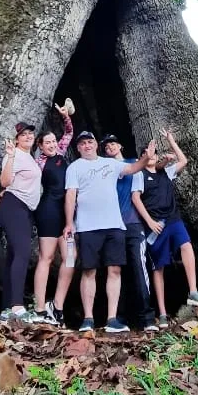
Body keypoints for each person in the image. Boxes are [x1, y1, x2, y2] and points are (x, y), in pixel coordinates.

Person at [64, 131, 155, 334]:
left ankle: (112, 318)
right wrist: (69, 223)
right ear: (78, 148)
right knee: (89, 271)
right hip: (87, 226)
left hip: (114, 225)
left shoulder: (111, 164)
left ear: (95, 144)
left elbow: (133, 168)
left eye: (90, 142)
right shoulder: (74, 167)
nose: (87, 145)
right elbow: (71, 195)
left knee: (115, 270)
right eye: (82, 143)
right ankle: (88, 318)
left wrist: (147, 157)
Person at [130, 128, 198, 327]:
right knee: (158, 267)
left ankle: (193, 291)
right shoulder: (139, 175)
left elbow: (183, 161)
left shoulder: (165, 172)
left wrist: (171, 140)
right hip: (155, 226)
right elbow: (135, 198)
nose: (153, 156)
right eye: (148, 153)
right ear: (142, 157)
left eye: (154, 153)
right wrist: (149, 222)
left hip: (173, 219)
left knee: (186, 245)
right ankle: (163, 313)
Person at [100, 134, 158, 332]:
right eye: (106, 146)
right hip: (112, 225)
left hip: (132, 224)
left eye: (113, 143)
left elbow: (136, 195)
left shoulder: (135, 164)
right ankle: (117, 318)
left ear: (121, 145)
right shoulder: (104, 169)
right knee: (114, 271)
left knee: (139, 268)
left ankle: (148, 318)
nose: (110, 147)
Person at [31, 102, 76, 325]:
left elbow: (69, 131)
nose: (50, 144)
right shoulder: (38, 163)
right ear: (40, 145)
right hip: (48, 210)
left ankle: (56, 307)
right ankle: (39, 308)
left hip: (66, 212)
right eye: (46, 142)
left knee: (70, 259)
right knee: (46, 258)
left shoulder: (61, 151)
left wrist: (64, 116)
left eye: (52, 141)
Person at [0, 121, 42, 322]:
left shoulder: (31, 158)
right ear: (17, 139)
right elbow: (5, 182)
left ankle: (7, 307)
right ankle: (17, 306)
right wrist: (11, 155)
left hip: (23, 209)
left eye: (30, 134)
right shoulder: (13, 155)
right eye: (23, 135)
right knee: (22, 253)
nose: (28, 136)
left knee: (14, 255)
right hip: (14, 205)